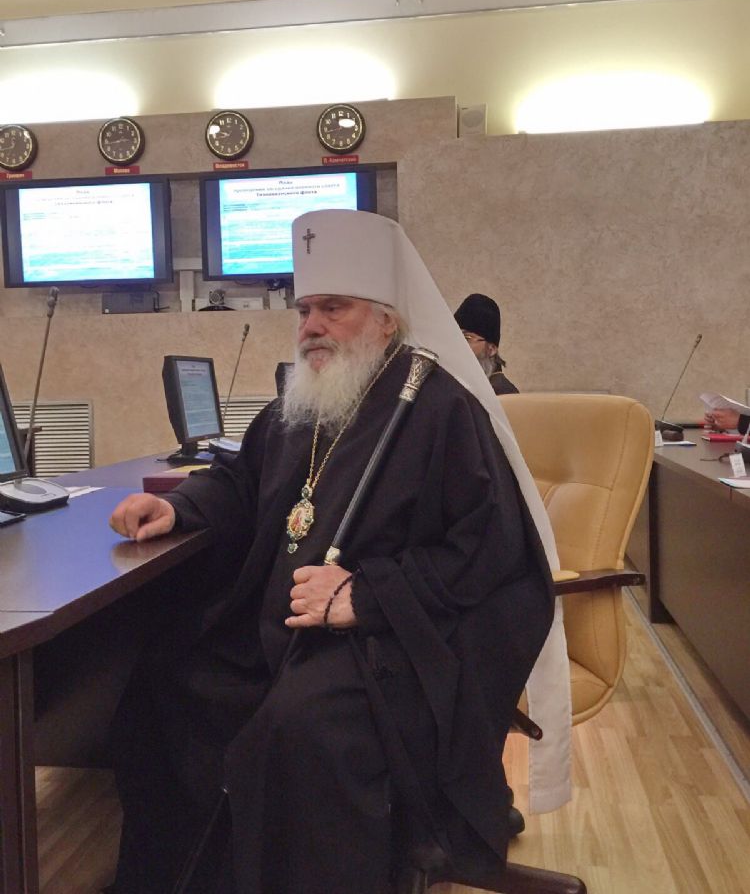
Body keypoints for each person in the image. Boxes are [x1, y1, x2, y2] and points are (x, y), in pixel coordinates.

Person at [106, 210, 570, 894]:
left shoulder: (439, 408)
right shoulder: (303, 404)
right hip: (286, 627)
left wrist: (367, 596)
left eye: (333, 308)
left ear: (385, 319)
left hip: (387, 642)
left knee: (302, 727)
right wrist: (180, 507)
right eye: (304, 311)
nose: (311, 327)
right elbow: (242, 480)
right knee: (168, 682)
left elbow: (490, 551)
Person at [454, 293, 518, 394]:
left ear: (491, 349)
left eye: (466, 338)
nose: (458, 346)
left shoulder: (504, 393)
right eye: (455, 337)